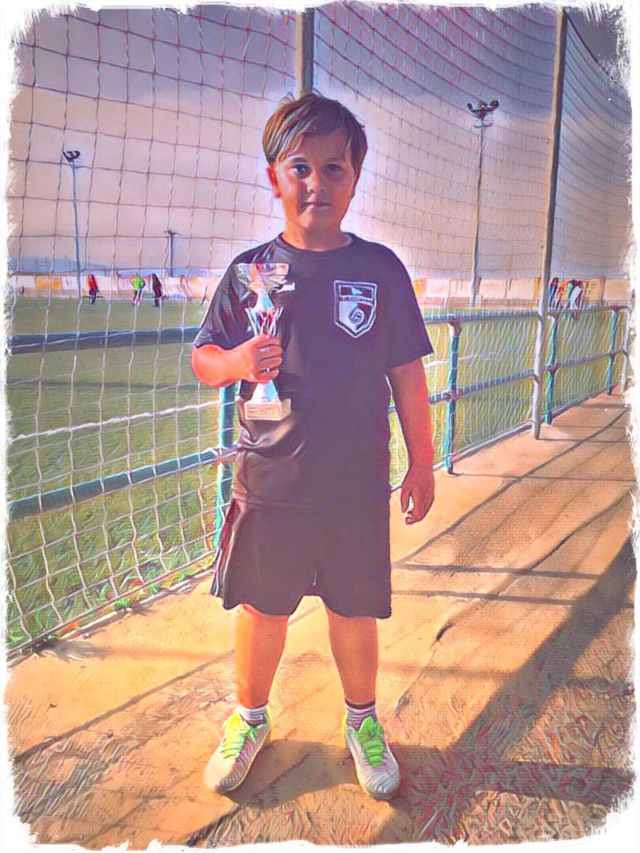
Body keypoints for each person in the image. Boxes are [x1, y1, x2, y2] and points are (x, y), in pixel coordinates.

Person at [191, 94, 435, 801]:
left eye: (334, 168)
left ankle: (362, 720)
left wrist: (421, 462)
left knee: (354, 608)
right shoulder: (249, 271)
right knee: (262, 608)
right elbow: (204, 357)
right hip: (269, 480)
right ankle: (249, 718)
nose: (316, 183)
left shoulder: (381, 270)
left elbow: (408, 375)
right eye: (300, 167)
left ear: (355, 179)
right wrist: (237, 362)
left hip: (354, 481)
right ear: (274, 177)